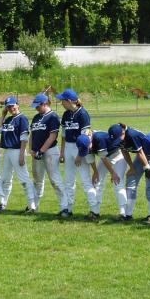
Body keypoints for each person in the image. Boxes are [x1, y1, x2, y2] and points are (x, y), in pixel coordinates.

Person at [57, 88, 95, 219]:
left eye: (62, 100)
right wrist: (62, 152)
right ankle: (68, 208)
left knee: (85, 180)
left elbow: (85, 138)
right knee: (68, 180)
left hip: (80, 148)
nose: (60, 102)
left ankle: (94, 210)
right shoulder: (66, 114)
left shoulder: (83, 114)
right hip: (68, 147)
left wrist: (80, 155)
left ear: (68, 101)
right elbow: (63, 135)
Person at [0, 97, 37, 213]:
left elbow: (24, 138)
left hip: (18, 150)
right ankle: (2, 203)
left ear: (18, 105)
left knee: (24, 179)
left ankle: (32, 206)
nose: (11, 108)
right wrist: (3, 115)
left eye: (13, 105)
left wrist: (21, 155)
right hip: (8, 152)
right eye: (8, 107)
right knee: (5, 179)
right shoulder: (8, 119)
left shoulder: (22, 119)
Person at [76, 129, 127, 221]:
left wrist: (113, 173)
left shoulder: (99, 138)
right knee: (97, 182)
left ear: (90, 142)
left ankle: (123, 213)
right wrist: (95, 172)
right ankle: (95, 212)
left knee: (118, 183)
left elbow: (103, 158)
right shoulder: (84, 139)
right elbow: (90, 157)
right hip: (106, 157)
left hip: (117, 155)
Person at [115, 123, 150, 222]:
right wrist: (131, 167)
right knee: (131, 181)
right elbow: (124, 151)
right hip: (141, 157)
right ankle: (128, 215)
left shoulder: (132, 135)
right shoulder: (118, 137)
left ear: (123, 131)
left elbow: (141, 152)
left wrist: (147, 169)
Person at [29, 93, 64, 212]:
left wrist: (41, 150)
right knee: (37, 180)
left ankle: (64, 207)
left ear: (45, 104)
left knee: (55, 180)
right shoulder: (36, 117)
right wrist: (32, 149)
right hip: (37, 152)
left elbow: (53, 136)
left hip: (50, 152)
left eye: (38, 106)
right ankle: (34, 206)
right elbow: (32, 135)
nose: (36, 108)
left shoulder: (53, 116)